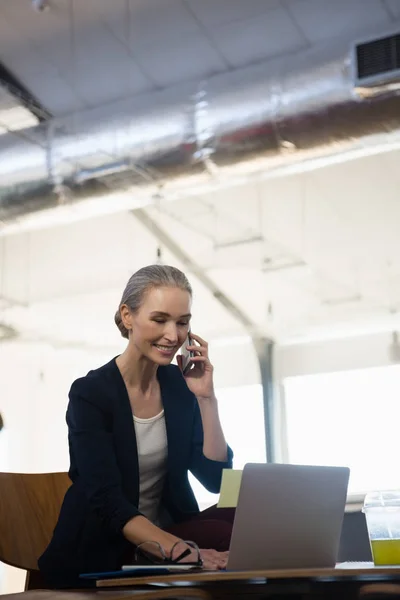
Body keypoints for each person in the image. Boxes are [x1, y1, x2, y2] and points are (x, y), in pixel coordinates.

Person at [39, 265, 234, 588]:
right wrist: (183, 552)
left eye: (182, 322)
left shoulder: (178, 384)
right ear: (127, 316)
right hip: (107, 545)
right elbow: (106, 501)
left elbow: (216, 480)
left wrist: (206, 398)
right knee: (222, 535)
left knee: (241, 517)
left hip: (166, 533)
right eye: (160, 320)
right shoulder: (91, 393)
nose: (173, 335)